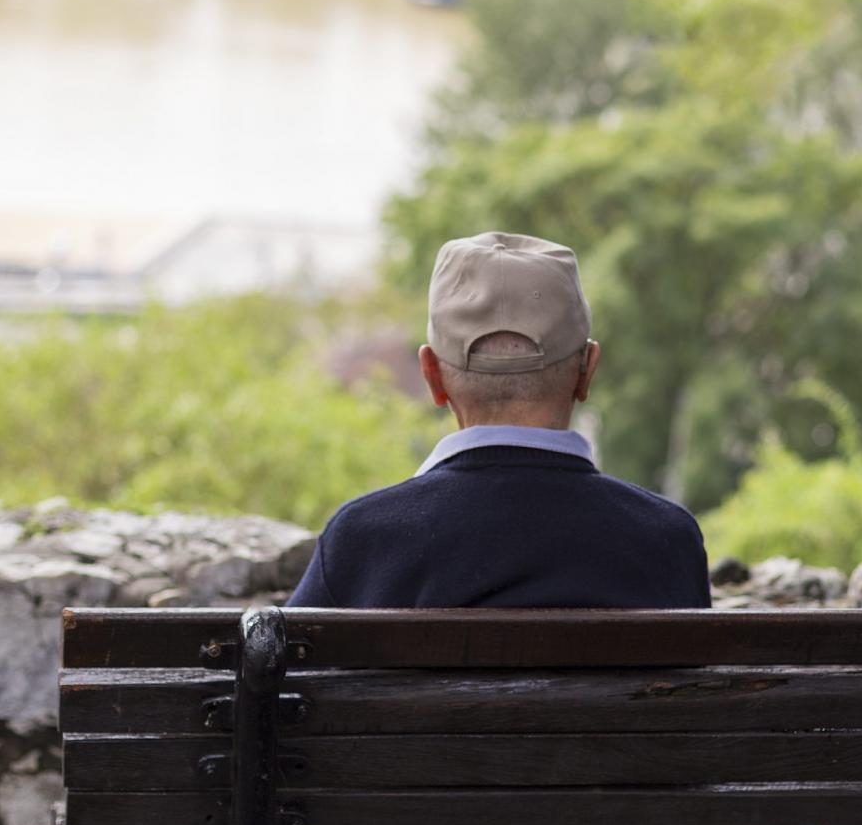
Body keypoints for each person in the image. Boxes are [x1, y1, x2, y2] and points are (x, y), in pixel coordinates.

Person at [288, 230, 710, 609]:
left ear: (432, 376)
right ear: (587, 372)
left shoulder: (362, 541)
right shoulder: (668, 539)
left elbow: (280, 679)